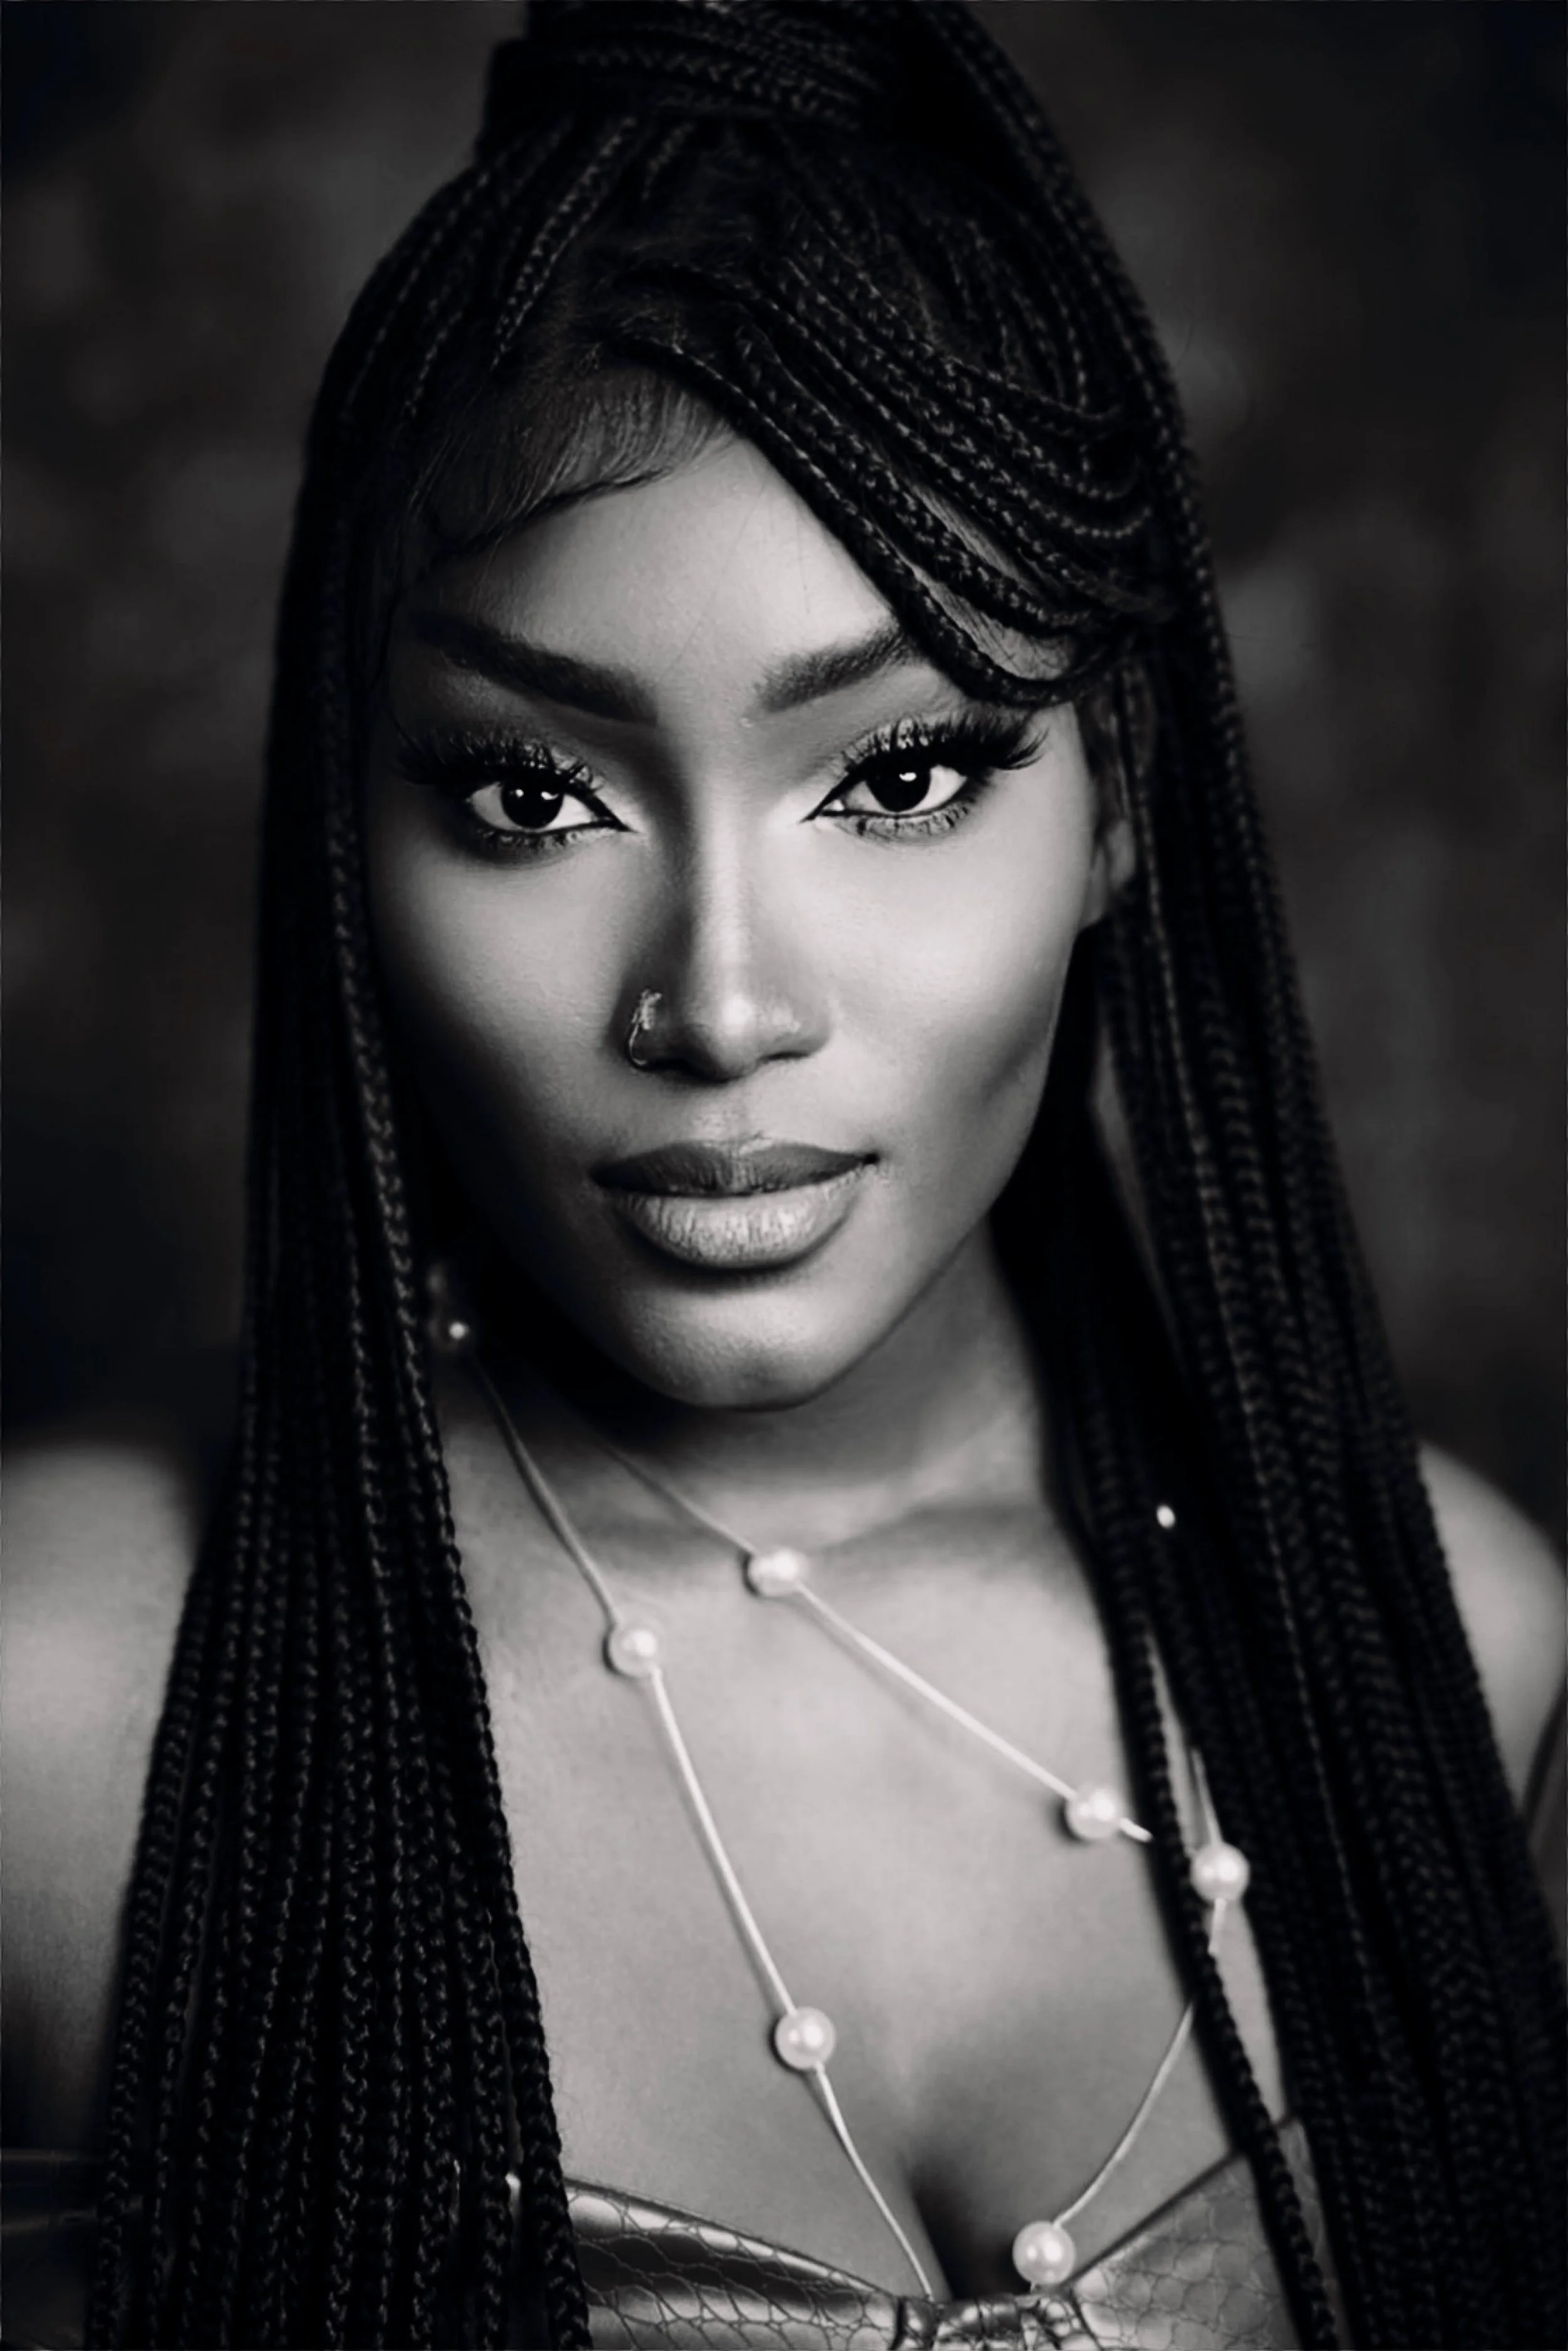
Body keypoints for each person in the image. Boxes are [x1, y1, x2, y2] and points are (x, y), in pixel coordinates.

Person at [4, 4, 1563, 2347]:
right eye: (532, 797)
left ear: (1116, 795)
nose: (720, 1002)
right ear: (352, 819)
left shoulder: (1454, 1646)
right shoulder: (48, 1710)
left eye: (904, 774)